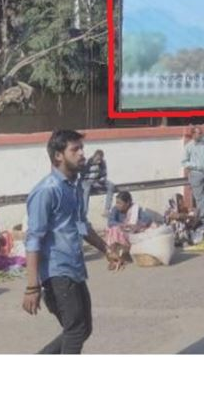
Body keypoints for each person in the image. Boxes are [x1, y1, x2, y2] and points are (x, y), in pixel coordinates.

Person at [23, 129, 125, 354]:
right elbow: (33, 240)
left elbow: (82, 224)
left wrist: (106, 248)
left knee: (83, 328)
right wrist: (32, 287)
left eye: (82, 149)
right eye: (75, 149)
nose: (82, 154)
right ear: (58, 155)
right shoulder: (47, 191)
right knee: (76, 329)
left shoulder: (74, 186)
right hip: (57, 272)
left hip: (75, 267)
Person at [181, 126, 204, 224]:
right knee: (199, 198)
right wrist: (196, 166)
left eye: (200, 133)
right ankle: (203, 220)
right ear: (193, 134)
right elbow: (184, 162)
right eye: (197, 133)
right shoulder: (189, 146)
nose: (199, 135)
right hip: (196, 174)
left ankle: (198, 216)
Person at [79, 149, 116, 218]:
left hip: (97, 181)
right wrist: (90, 179)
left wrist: (102, 179)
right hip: (87, 181)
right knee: (86, 189)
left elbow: (104, 173)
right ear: (94, 157)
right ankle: (84, 212)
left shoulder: (102, 162)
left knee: (111, 185)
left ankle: (107, 209)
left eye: (100, 159)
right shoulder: (87, 162)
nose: (99, 161)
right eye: (97, 159)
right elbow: (82, 175)